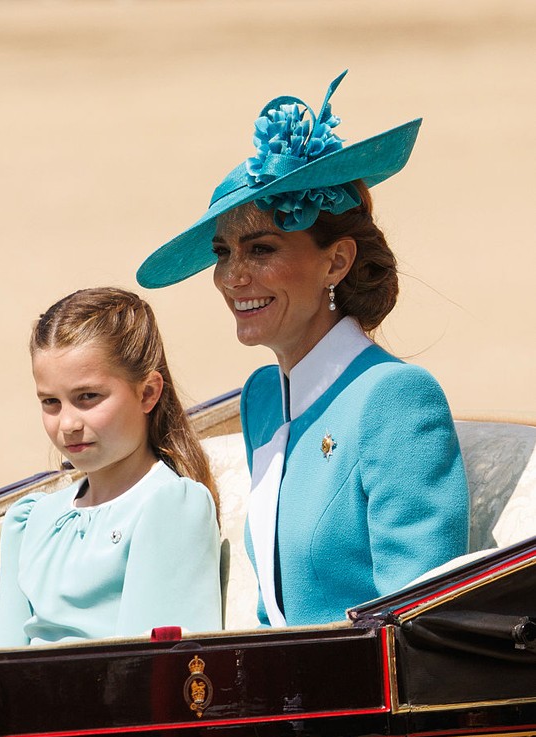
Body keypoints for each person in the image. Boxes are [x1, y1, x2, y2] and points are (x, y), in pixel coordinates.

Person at [137, 71, 470, 628]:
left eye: (261, 249)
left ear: (335, 263)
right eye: (223, 253)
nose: (233, 277)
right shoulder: (264, 396)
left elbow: (420, 627)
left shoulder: (395, 399)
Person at [0, 287, 222, 647]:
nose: (67, 423)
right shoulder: (29, 521)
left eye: (88, 397)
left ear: (148, 393)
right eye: (50, 402)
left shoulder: (170, 507)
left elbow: (150, 671)